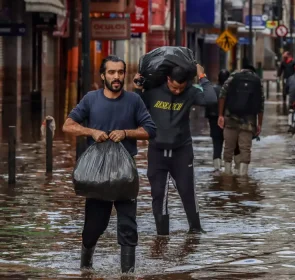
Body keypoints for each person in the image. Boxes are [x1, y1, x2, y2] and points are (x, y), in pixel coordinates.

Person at [62, 55, 157, 273]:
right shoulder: (91, 99)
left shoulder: (134, 100)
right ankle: (85, 268)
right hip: (97, 175)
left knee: (128, 226)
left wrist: (126, 133)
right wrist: (91, 131)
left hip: (125, 174)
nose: (117, 77)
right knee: (94, 227)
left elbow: (150, 130)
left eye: (120, 72)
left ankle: (127, 273)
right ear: (103, 75)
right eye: (112, 72)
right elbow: (68, 125)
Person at [134, 64, 217, 236]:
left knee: (187, 191)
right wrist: (137, 87)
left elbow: (211, 100)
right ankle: (162, 236)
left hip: (182, 151)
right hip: (157, 150)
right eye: (174, 87)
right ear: (167, 79)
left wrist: (202, 76)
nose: (178, 91)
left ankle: (195, 231)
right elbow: (134, 107)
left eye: (181, 87)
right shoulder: (153, 91)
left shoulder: (191, 92)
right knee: (159, 194)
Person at [218, 65, 264, 176]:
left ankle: (227, 176)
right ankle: (243, 179)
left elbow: (222, 95)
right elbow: (261, 104)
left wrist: (220, 115)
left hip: (231, 118)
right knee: (245, 149)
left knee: (228, 148)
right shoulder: (257, 81)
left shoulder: (233, 76)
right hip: (249, 121)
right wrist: (259, 124)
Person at [205, 69, 231, 171]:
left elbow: (207, 104)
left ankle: (217, 167)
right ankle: (229, 168)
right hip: (228, 119)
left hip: (213, 120)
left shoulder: (212, 89)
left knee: (217, 143)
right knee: (230, 144)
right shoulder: (230, 91)